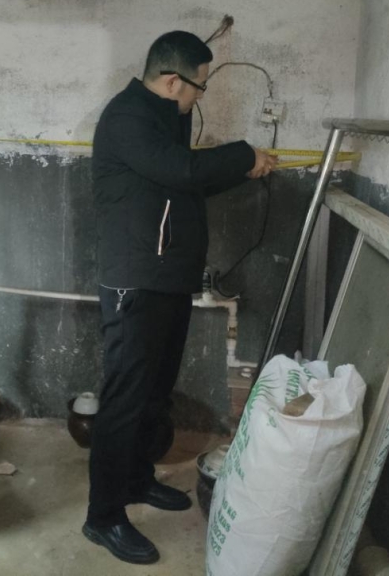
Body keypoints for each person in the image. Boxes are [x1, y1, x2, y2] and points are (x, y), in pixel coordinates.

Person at [84, 30, 276, 564]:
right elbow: (183, 170)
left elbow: (183, 182)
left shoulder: (165, 118)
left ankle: (136, 479)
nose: (200, 96)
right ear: (173, 82)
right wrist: (243, 153)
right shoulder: (127, 117)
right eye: (200, 86)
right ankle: (103, 516)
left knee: (154, 391)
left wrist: (242, 170)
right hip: (134, 278)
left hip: (168, 275)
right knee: (125, 399)